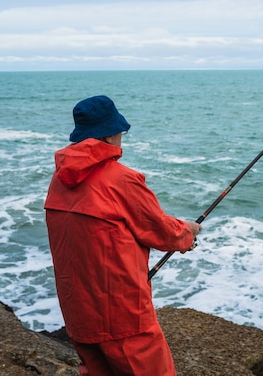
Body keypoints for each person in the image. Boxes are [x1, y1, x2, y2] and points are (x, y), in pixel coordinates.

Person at [44, 95, 201, 375]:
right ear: (111, 134)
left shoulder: (59, 179)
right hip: (122, 314)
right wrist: (187, 232)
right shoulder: (121, 179)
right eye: (120, 131)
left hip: (78, 311)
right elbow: (161, 231)